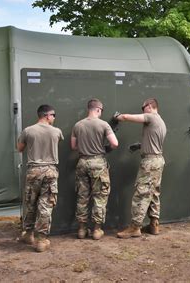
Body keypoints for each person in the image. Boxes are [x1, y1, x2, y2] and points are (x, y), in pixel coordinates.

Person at [114, 98, 167, 239]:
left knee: (142, 193)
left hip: (149, 163)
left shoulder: (151, 117)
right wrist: (140, 146)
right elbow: (153, 142)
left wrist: (118, 117)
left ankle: (135, 227)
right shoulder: (161, 122)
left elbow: (126, 117)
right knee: (154, 192)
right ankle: (154, 224)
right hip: (158, 160)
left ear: (149, 106)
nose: (142, 110)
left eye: (143, 107)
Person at [17, 104, 64, 252]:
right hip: (50, 171)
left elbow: (19, 148)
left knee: (30, 204)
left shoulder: (28, 131)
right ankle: (42, 240)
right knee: (46, 205)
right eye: (54, 115)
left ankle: (28, 234)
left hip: (33, 171)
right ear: (47, 115)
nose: (54, 118)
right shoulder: (56, 132)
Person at [71, 99, 118, 240]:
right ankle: (97, 230)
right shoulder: (103, 125)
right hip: (98, 163)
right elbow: (115, 143)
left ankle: (81, 229)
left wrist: (86, 149)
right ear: (98, 109)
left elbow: (73, 147)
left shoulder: (78, 125)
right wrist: (105, 149)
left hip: (82, 162)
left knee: (82, 197)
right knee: (100, 197)